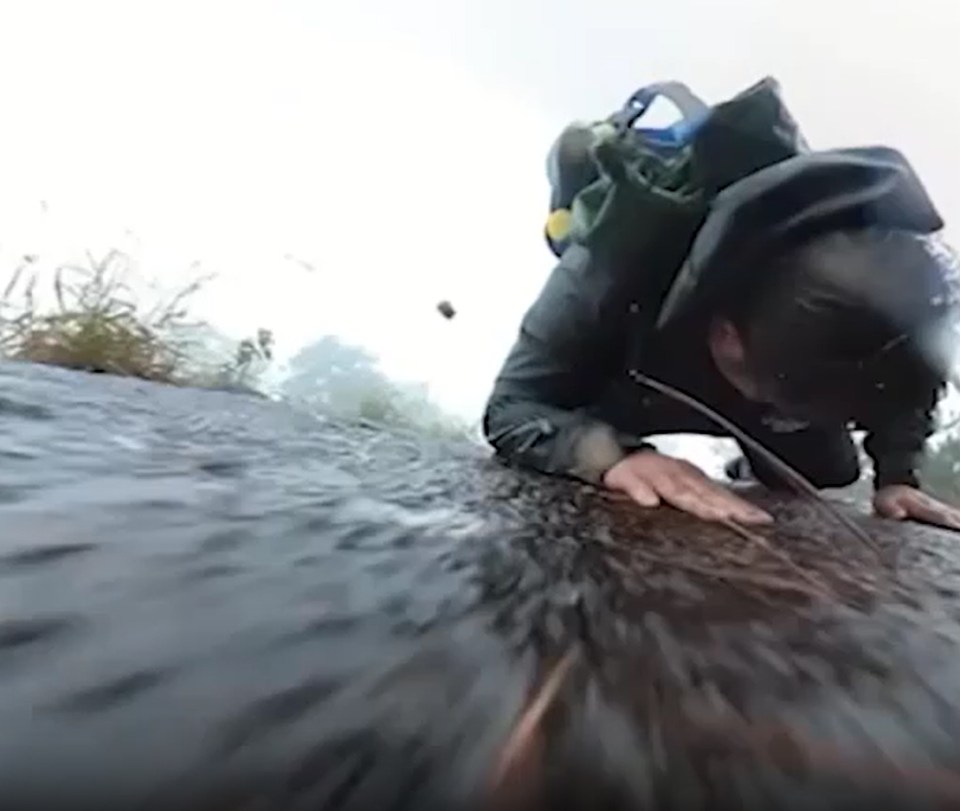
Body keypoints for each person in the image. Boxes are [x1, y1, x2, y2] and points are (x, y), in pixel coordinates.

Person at [482, 99, 960, 530]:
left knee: (829, 473)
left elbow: (906, 381)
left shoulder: (885, 314)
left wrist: (898, 478)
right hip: (633, 380)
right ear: (726, 334)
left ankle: (747, 458)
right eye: (790, 402)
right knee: (567, 430)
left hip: (759, 377)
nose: (793, 416)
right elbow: (514, 406)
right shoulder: (611, 269)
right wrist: (611, 457)